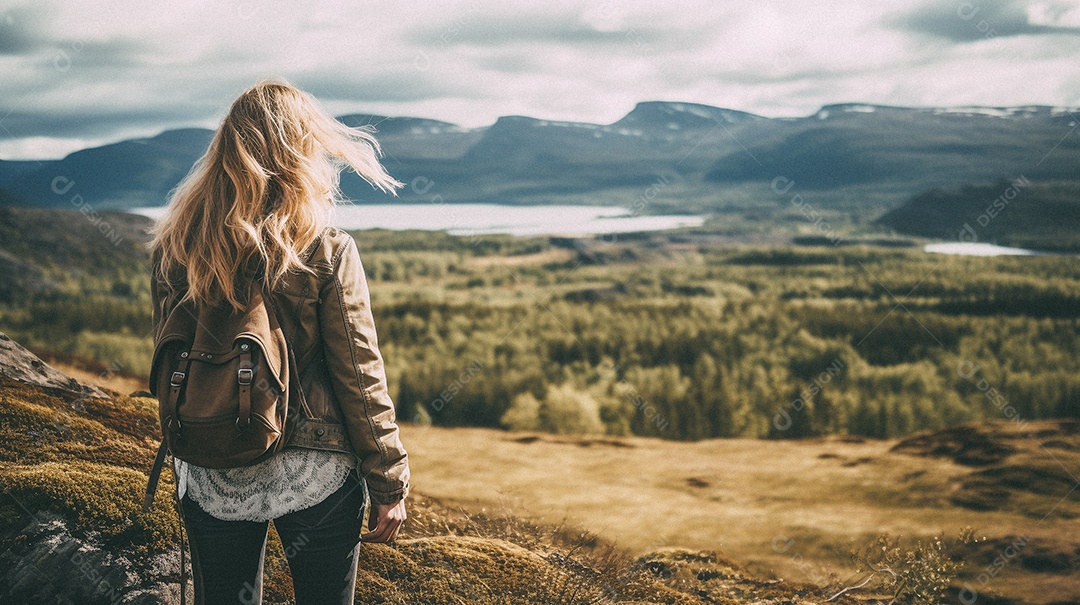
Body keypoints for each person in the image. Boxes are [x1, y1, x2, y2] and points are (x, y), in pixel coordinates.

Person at [147, 80, 410, 605]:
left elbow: (171, 358)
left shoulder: (175, 248)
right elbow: (359, 375)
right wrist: (388, 479)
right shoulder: (326, 249)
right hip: (315, 469)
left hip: (212, 461)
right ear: (301, 153)